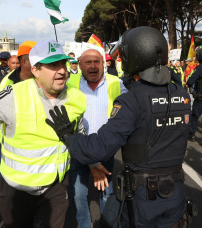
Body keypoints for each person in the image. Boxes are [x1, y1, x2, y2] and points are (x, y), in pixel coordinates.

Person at [46, 26, 192, 228]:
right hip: (175, 192)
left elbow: (96, 149)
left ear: (133, 57)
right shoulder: (182, 95)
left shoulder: (131, 101)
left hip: (142, 198)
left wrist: (68, 136)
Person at [0, 39, 89, 228]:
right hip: (16, 190)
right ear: (35, 70)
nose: (62, 70)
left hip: (56, 188)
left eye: (63, 63)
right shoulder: (12, 95)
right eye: (52, 65)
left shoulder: (76, 96)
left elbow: (80, 138)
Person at [66, 49, 128, 228]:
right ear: (80, 64)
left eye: (96, 62)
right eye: (88, 62)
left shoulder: (116, 83)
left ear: (103, 63)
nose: (93, 66)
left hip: (105, 149)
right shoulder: (71, 83)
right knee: (78, 195)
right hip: (78, 148)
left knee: (107, 194)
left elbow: (128, 109)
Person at [0, 41, 37, 196]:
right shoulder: (5, 81)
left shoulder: (44, 79)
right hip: (11, 142)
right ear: (24, 61)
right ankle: (2, 188)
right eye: (36, 58)